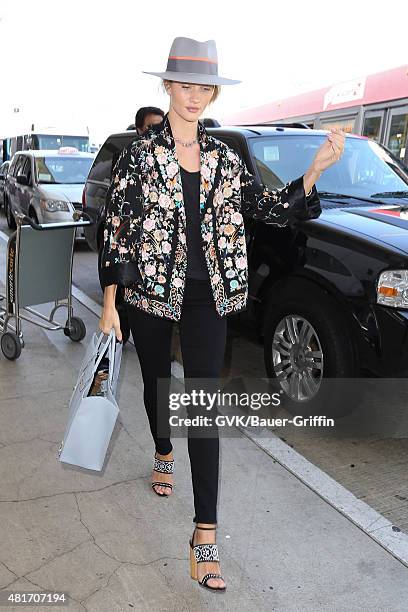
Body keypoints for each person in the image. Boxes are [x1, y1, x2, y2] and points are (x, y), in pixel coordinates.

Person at [98, 36, 345, 593]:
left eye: (202, 86)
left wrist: (315, 171)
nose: (193, 95)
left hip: (209, 295)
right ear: (167, 86)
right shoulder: (139, 156)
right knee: (161, 384)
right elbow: (116, 231)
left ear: (211, 93)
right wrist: (110, 304)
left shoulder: (226, 158)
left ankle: (203, 536)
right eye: (184, 85)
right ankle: (162, 449)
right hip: (151, 294)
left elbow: (270, 211)